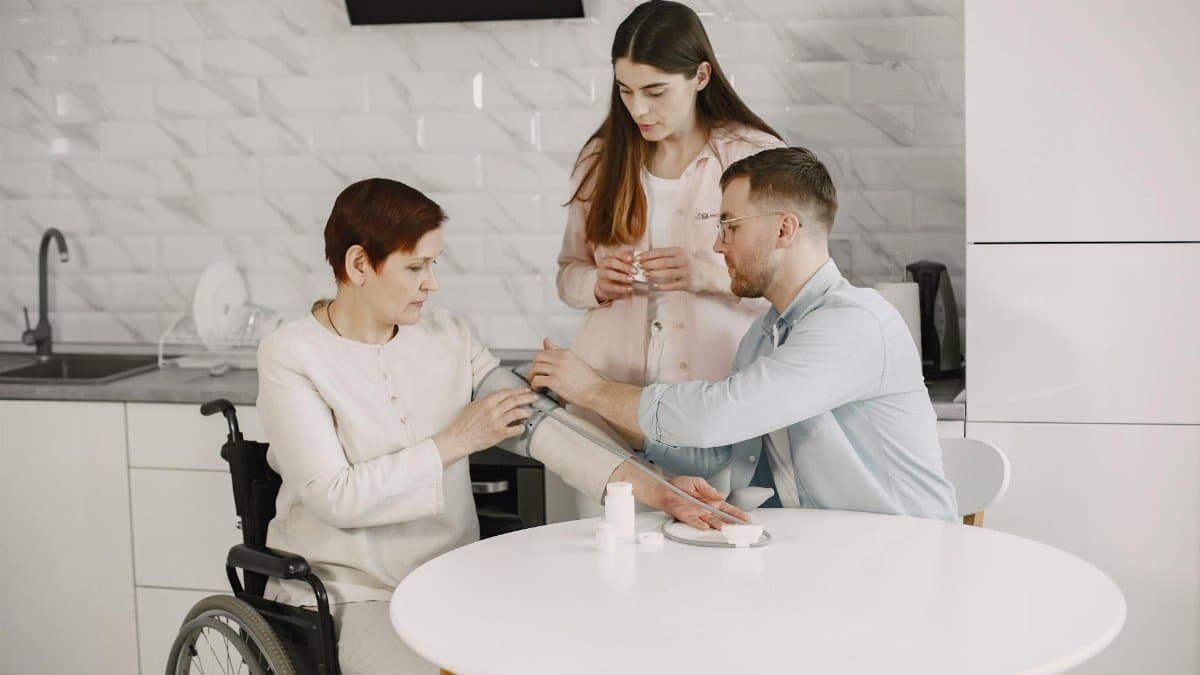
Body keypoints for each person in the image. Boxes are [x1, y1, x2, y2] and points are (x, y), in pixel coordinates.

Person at [256, 178, 744, 675]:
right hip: (352, 593)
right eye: (415, 267)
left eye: (435, 263)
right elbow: (336, 496)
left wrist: (661, 491)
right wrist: (457, 440)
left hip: (452, 577)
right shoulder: (293, 355)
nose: (433, 282)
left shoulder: (448, 336)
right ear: (359, 265)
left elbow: (544, 428)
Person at [533, 148, 959, 521]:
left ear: (784, 229)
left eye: (730, 226)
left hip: (901, 562)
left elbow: (715, 415)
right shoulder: (763, 335)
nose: (718, 247)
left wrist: (593, 389)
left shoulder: (855, 324)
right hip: (828, 558)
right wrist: (598, 405)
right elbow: (717, 454)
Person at [556, 1, 787, 504]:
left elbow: (790, 283)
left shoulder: (752, 156)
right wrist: (594, 282)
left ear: (701, 75)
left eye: (655, 91)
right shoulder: (600, 159)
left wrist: (705, 275)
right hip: (608, 409)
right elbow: (568, 273)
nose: (638, 109)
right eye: (625, 90)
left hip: (713, 410)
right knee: (608, 566)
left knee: (711, 561)